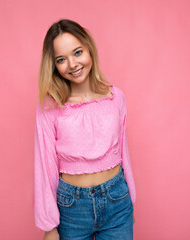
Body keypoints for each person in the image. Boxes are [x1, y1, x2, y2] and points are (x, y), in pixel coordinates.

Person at [34, 19, 136, 240]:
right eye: (62, 59)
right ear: (54, 65)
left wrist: (130, 201)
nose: (72, 64)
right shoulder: (51, 106)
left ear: (89, 48)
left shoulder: (115, 97)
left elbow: (122, 153)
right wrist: (49, 226)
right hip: (72, 209)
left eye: (77, 52)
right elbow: (45, 166)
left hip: (118, 202)